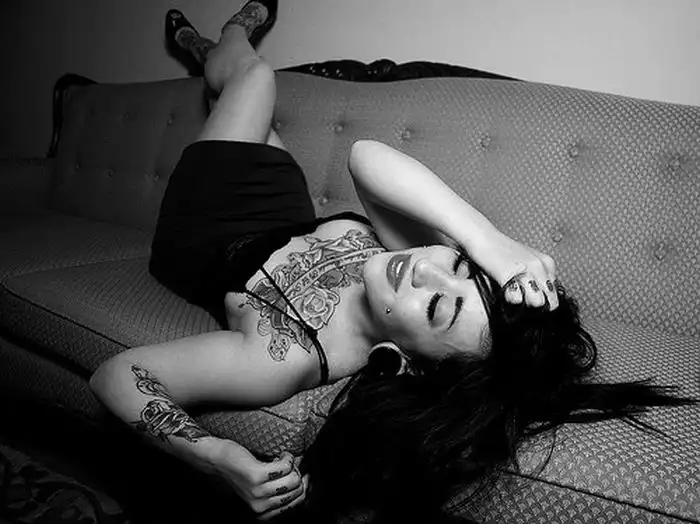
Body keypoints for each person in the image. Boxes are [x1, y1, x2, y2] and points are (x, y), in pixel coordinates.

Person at [89, 2, 695, 522]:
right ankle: (212, 55)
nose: (425, 268)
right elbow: (365, 156)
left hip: (205, 224)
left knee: (254, 79)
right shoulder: (412, 263)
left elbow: (119, 374)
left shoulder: (288, 355)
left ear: (408, 361)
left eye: (436, 308)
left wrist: (214, 456)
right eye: (457, 268)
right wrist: (488, 244)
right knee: (247, 104)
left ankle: (226, 37)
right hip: (280, 200)